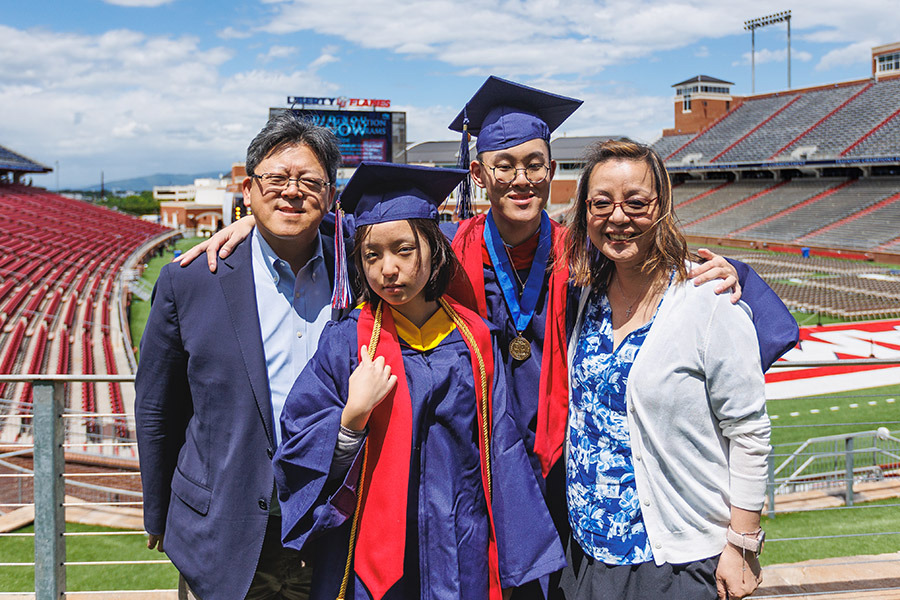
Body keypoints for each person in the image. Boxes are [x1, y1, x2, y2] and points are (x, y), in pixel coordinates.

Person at [272, 162, 565, 599]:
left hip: (462, 546)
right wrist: (350, 421)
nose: (388, 269)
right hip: (373, 558)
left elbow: (503, 452)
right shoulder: (347, 344)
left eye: (403, 250)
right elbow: (297, 451)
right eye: (372, 256)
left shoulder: (476, 341)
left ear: (433, 249)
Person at [135, 112, 343, 600]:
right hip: (224, 532)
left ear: (331, 197)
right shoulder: (189, 281)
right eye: (275, 179)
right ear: (248, 190)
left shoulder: (359, 270)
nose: (292, 191)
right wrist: (157, 511)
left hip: (332, 529)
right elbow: (156, 407)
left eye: (310, 181)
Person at [560, 139, 771, 599]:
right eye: (601, 203)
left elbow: (750, 430)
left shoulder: (707, 302)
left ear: (663, 207)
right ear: (585, 213)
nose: (618, 217)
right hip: (587, 553)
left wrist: (742, 543)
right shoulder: (585, 297)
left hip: (672, 560)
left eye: (636, 202)